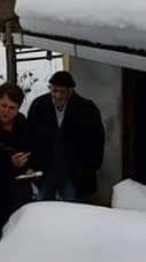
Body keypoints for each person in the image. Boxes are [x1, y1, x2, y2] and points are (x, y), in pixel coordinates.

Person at [27, 70, 105, 203]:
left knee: (74, 208)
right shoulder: (39, 106)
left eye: (62, 92)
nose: (57, 96)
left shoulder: (86, 109)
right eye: (54, 91)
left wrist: (91, 167)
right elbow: (29, 136)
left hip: (75, 172)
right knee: (42, 206)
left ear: (70, 91)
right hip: (46, 169)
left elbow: (97, 140)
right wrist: (31, 164)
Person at [0, 83, 34, 245]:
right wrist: (8, 161)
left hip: (19, 187)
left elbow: (30, 146)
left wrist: (27, 160)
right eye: (3, 106)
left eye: (12, 108)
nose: (6, 111)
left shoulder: (21, 122)